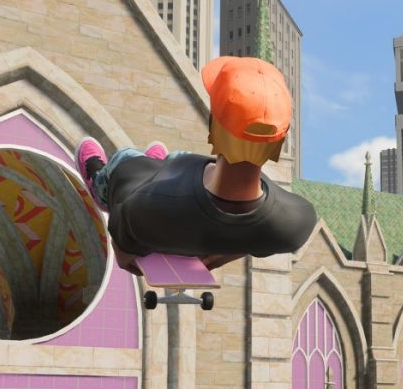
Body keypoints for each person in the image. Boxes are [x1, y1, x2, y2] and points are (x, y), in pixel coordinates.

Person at [77, 55, 317, 274]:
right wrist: (216, 258)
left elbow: (125, 255)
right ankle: (159, 162)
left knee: (126, 157)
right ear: (279, 142)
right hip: (182, 192)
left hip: (152, 191)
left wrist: (127, 250)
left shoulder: (143, 205)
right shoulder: (296, 221)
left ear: (213, 127)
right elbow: (259, 243)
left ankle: (100, 183)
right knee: (176, 158)